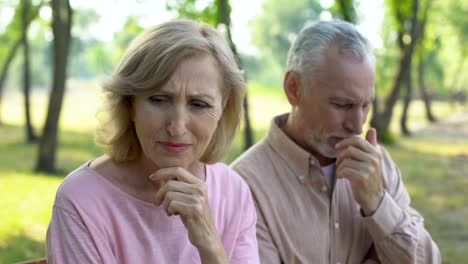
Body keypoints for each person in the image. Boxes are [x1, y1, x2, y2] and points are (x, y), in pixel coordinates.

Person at [46, 20, 259, 263]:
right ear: (130, 104)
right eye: (159, 100)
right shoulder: (82, 199)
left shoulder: (233, 191)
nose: (177, 127)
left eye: (198, 104)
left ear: (224, 110)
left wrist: (210, 245)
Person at [231, 20, 441, 263]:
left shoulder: (377, 165)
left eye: (366, 105)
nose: (358, 125)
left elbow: (428, 260)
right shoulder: (243, 186)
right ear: (294, 89)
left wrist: (377, 204)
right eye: (343, 105)